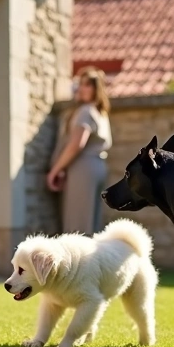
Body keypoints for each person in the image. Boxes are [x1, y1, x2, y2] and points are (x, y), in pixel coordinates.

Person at [47, 66, 113, 235]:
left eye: (87, 85)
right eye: (80, 84)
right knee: (91, 222)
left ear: (96, 89)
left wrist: (55, 170)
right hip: (97, 167)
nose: (81, 89)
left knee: (78, 224)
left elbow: (76, 144)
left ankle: (78, 262)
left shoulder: (85, 112)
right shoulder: (100, 114)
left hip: (83, 168)